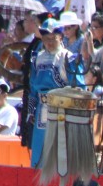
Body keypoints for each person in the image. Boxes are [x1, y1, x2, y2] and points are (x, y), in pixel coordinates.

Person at [27, 18, 74, 167]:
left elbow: (78, 86)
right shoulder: (37, 59)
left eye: (53, 39)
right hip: (42, 107)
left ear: (60, 37)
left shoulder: (68, 57)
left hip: (63, 108)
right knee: (40, 147)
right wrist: (31, 111)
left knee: (60, 147)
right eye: (46, 39)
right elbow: (33, 87)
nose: (49, 42)